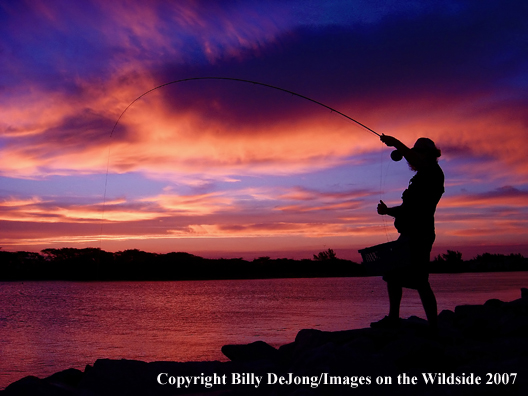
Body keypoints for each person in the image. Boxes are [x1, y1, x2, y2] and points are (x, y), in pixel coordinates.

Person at [371, 135, 444, 330]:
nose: (414, 155)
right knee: (393, 274)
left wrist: (395, 142)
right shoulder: (420, 177)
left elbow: (415, 158)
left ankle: (434, 327)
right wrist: (388, 212)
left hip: (421, 235)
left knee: (420, 281)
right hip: (408, 235)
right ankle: (393, 319)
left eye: (419, 151)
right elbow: (406, 208)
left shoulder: (434, 173)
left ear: (429, 155)